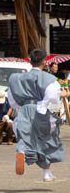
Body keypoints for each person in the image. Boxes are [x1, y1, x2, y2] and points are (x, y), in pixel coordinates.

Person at [8, 49, 66, 182]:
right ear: (45, 62)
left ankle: (22, 151)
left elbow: (12, 98)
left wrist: (19, 108)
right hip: (40, 110)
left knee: (25, 136)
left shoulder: (18, 78)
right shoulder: (49, 79)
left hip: (24, 109)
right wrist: (62, 96)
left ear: (30, 60)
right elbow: (52, 99)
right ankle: (46, 172)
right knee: (48, 139)